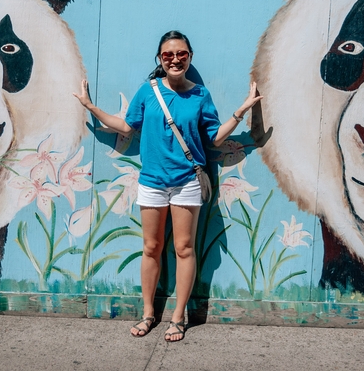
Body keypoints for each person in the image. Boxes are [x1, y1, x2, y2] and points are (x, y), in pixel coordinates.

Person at [73, 30, 262, 342]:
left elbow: (214, 138)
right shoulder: (148, 91)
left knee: (184, 248)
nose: (175, 59)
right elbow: (126, 126)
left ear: (189, 57)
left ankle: (177, 318)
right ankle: (148, 313)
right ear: (160, 59)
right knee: (151, 248)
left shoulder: (200, 95)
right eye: (168, 55)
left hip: (188, 182)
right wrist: (90, 107)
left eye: (181, 54)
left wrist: (242, 110)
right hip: (152, 182)